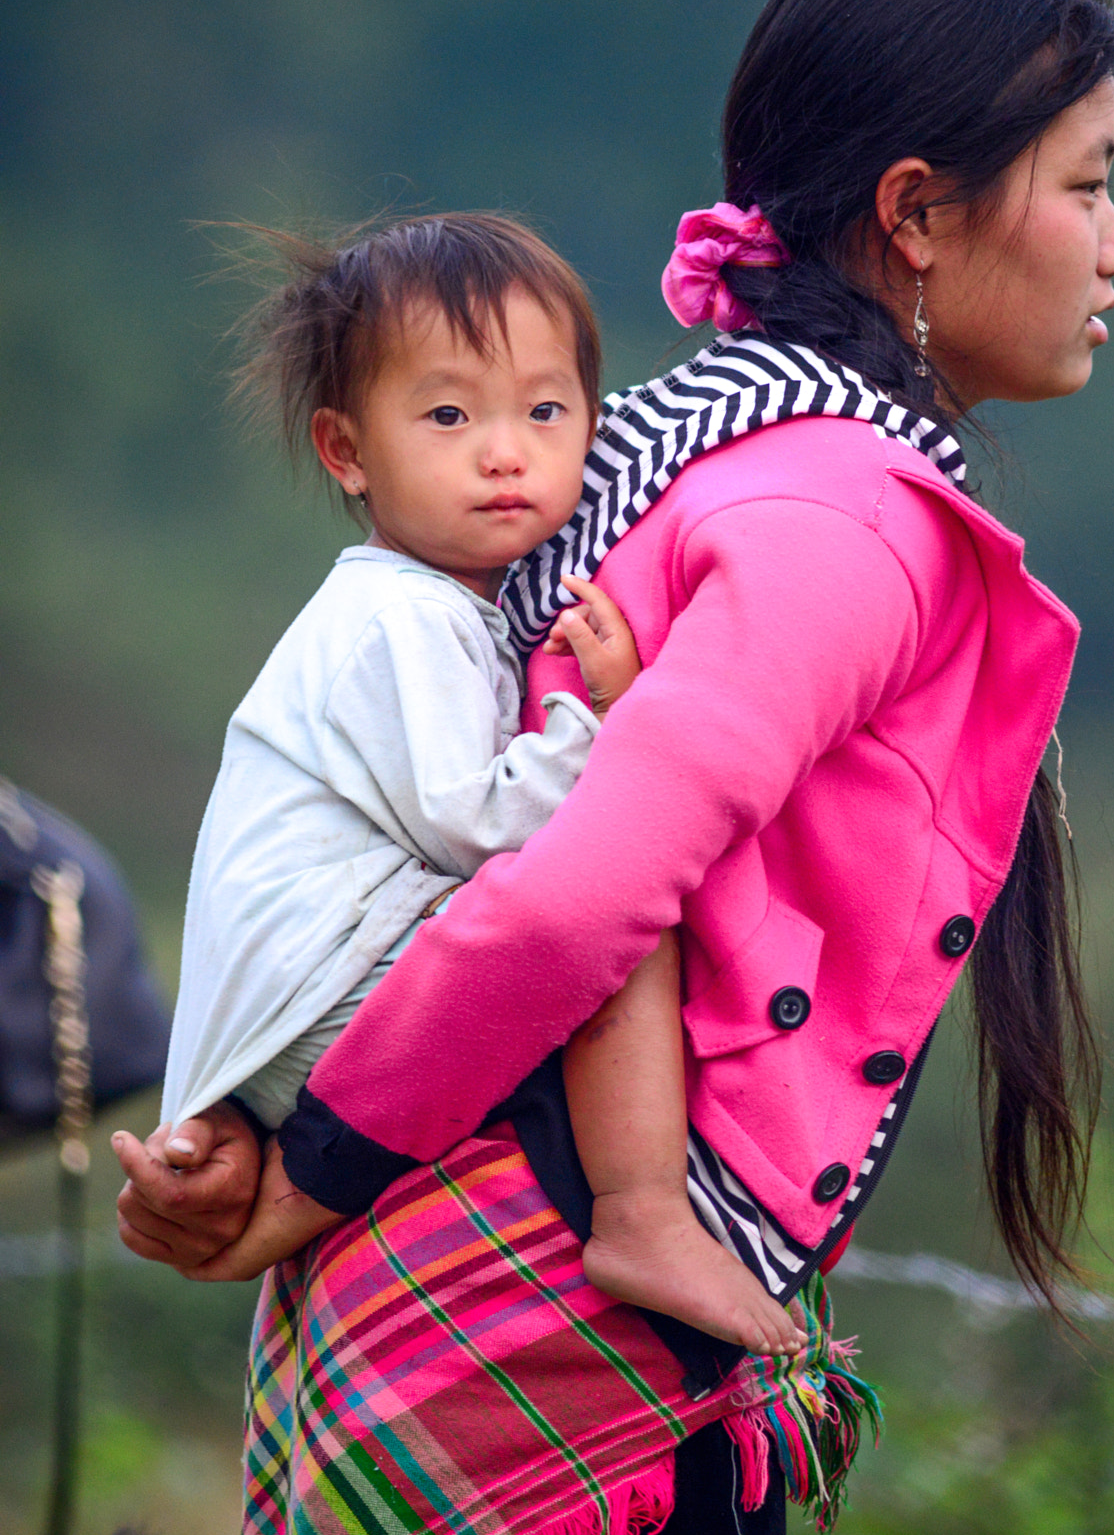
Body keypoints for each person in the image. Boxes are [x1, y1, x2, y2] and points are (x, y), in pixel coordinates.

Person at [116, 0, 1114, 1535]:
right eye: (1086, 185)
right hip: (546, 1335)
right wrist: (305, 1172)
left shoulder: (688, 437)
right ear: (915, 214)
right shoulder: (840, 518)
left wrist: (308, 1153)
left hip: (446, 1259)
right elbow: (583, 883)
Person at [154, 211, 802, 1356]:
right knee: (610, 909)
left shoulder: (438, 604)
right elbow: (482, 825)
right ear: (346, 450)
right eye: (448, 415)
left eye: (544, 412)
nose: (504, 451)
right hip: (327, 990)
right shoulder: (395, 617)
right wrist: (596, 716)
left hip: (301, 997)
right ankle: (642, 1209)